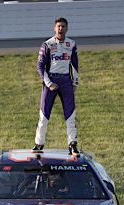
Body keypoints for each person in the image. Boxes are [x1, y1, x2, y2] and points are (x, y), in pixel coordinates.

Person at [32, 17, 79, 155]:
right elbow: (40, 66)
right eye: (58, 26)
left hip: (66, 82)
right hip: (50, 81)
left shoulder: (72, 44)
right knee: (44, 114)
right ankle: (39, 144)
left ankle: (72, 144)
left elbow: (75, 65)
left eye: (63, 26)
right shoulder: (47, 44)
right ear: (54, 28)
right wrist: (49, 83)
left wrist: (75, 82)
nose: (61, 29)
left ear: (67, 28)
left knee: (70, 115)